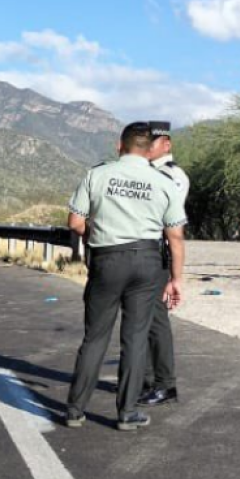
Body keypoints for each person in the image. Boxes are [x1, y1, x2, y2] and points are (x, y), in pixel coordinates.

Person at [65, 122, 187, 432]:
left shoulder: (98, 174)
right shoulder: (164, 181)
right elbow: (175, 236)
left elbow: (75, 222)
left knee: (95, 337)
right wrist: (176, 279)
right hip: (147, 262)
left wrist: (99, 233)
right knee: (134, 338)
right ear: (149, 150)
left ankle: (76, 410)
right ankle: (127, 412)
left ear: (120, 144)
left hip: (107, 259)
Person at [139, 121, 189, 408]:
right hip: (142, 251)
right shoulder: (147, 172)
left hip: (158, 251)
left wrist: (174, 274)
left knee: (156, 320)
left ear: (166, 144)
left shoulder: (172, 175)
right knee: (141, 319)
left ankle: (165, 383)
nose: (147, 147)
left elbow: (170, 223)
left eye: (153, 142)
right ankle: (144, 380)